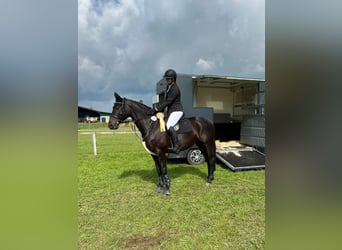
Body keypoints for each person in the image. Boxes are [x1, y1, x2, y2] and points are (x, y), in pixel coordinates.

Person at [155, 69, 184, 153]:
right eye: (166, 79)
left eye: (168, 79)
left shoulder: (175, 89)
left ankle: (176, 146)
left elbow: (168, 102)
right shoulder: (168, 87)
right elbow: (166, 100)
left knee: (169, 125)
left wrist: (157, 109)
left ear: (173, 79)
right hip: (171, 111)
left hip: (177, 110)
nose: (167, 80)